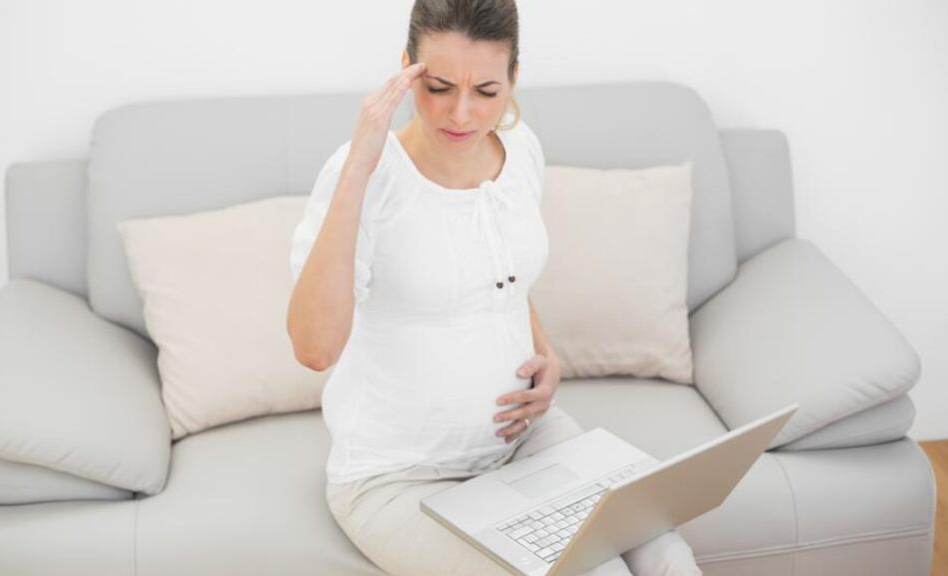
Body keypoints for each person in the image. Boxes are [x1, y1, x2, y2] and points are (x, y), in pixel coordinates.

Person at [287, 1, 704, 574]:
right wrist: (361, 166)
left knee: (664, 550)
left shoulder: (521, 149)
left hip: (525, 439)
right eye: (438, 86)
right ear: (405, 68)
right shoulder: (361, 174)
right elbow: (314, 348)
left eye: (486, 90)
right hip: (396, 477)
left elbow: (502, 279)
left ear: (513, 78)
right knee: (591, 570)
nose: (461, 114)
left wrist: (547, 353)